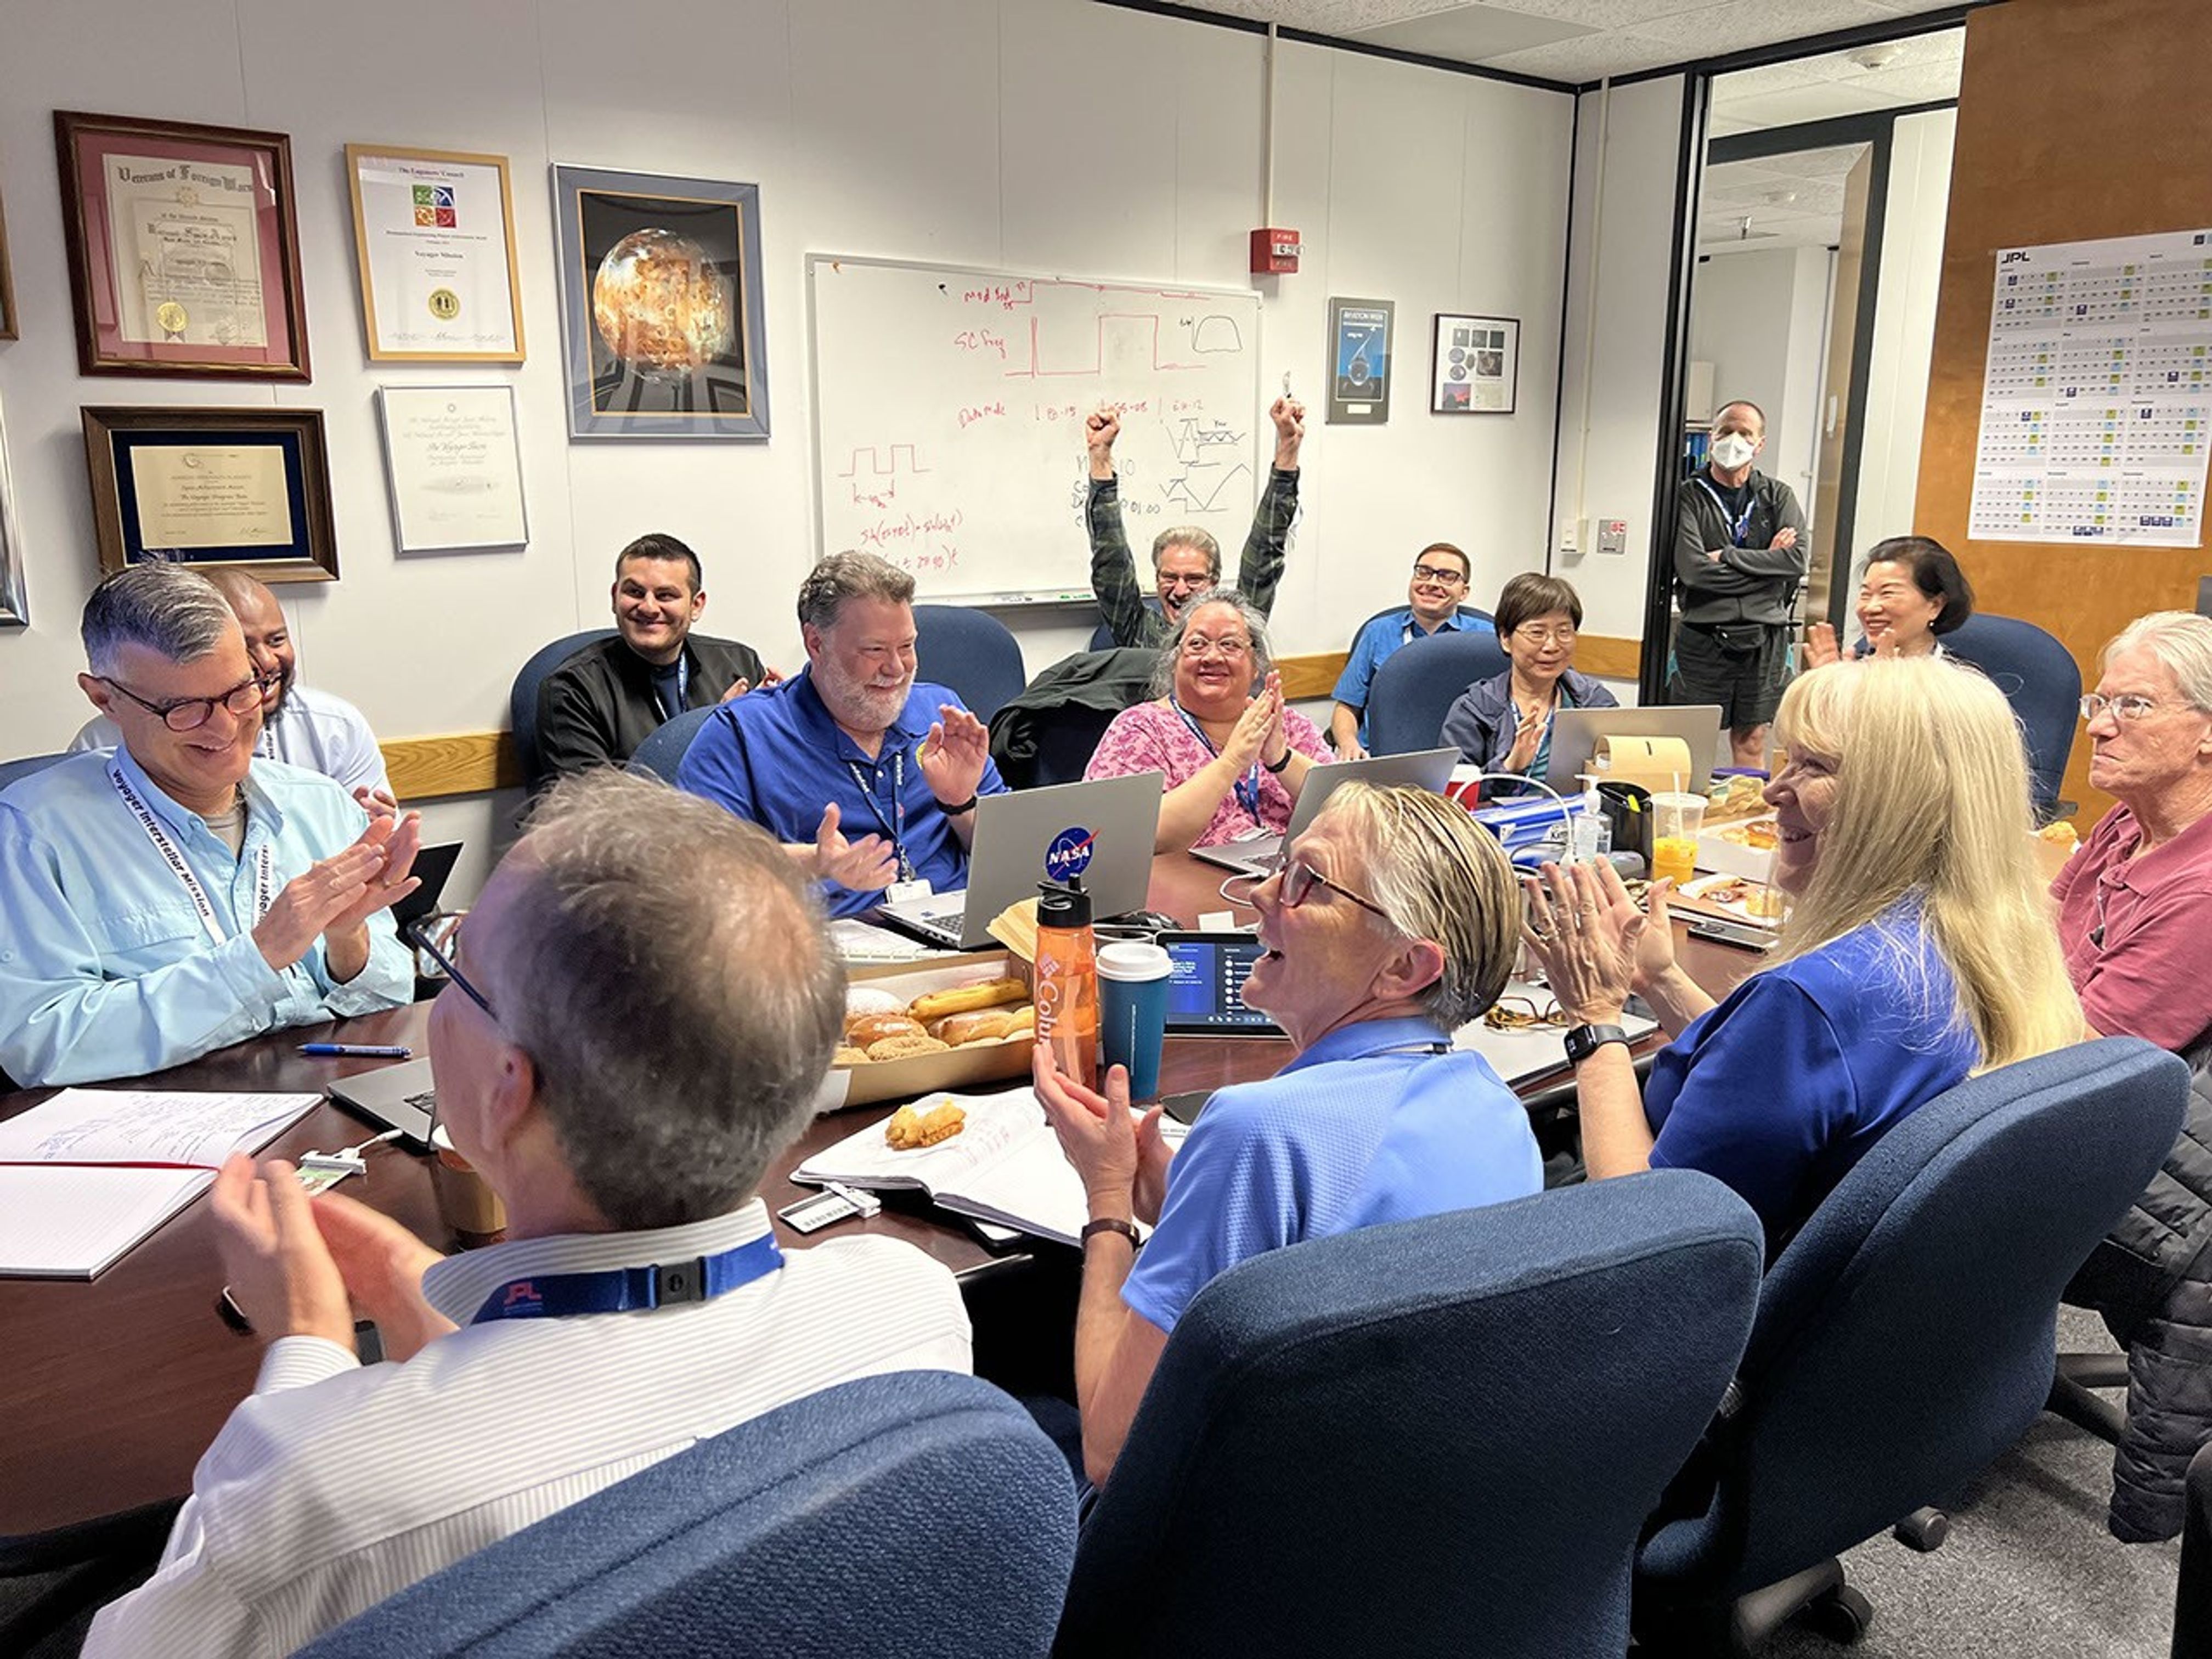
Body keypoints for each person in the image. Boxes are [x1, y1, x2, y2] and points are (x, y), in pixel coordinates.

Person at [81, 771, 971, 1656]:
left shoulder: (319, 1484)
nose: (440, 990)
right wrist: (433, 1314)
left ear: (509, 1087)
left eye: (454, 967)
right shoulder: (912, 1305)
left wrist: (305, 1350)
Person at [1034, 783, 1541, 1485]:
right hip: (1404, 1505)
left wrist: (1110, 1200)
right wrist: (1181, 1194)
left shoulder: (1257, 1130)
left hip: (1241, 1532)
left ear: (1405, 966)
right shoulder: (1497, 1110)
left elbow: (1112, 1453)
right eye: (1282, 865)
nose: (1261, 893)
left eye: (1309, 882)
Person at [1523, 657, 2081, 1252]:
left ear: (1896, 802)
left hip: (1702, 1285)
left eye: (1813, 766)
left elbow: (1642, 1234)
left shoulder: (1811, 999)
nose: (1772, 790)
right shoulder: (1981, 943)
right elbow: (1778, 1078)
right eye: (1786, 760)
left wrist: (1594, 1020)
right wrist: (1660, 979)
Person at [0, 567, 420, 1090]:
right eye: (184, 709)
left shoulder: (320, 803)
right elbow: (41, 1043)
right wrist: (257, 957)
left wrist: (347, 938)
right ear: (105, 699)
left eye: (241, 691)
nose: (225, 727)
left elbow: (390, 999)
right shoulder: (33, 832)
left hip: (329, 1096)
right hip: (160, 1118)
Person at [2045, 612, 2212, 1543]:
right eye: (2097, 702)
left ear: (2207, 733)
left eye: (2133, 705)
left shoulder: (2205, 887)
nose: (2100, 725)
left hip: (2123, 1165)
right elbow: (2041, 931)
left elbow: (2082, 1054)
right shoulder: (2127, 823)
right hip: (2055, 1079)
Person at [676, 551, 1005, 918]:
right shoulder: (742, 732)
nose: (897, 668)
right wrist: (815, 862)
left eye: (907, 646)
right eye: (875, 650)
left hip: (956, 933)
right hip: (824, 940)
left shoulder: (941, 714)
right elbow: (697, 867)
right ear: (816, 643)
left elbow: (1008, 859)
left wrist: (960, 804)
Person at [71, 567, 393, 810]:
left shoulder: (334, 728)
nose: (267, 661)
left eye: (276, 640)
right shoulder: (99, 748)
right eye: (185, 708)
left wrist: (366, 836)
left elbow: (374, 842)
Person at [1084, 589, 1331, 853]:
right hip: (1188, 877)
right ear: (1174, 660)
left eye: (1230, 645)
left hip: (1290, 871)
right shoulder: (1138, 730)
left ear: (1256, 665)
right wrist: (1232, 762)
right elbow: (1131, 839)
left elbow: (1351, 812)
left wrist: (1281, 759)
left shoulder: (1287, 724)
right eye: (1197, 644)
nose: (1212, 657)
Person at [537, 533, 772, 780]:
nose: (648, 608)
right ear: (615, 597)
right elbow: (594, 801)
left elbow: (769, 775)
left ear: (696, 605)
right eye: (635, 592)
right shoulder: (572, 690)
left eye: (665, 595)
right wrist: (715, 734)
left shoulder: (739, 664)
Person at [1084, 397, 1305, 650]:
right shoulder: (1141, 632)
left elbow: (1263, 556)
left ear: (1214, 583)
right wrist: (1100, 458)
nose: (1180, 591)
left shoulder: (1236, 629)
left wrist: (1288, 448)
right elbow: (1111, 558)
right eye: (1169, 577)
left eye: (1194, 579)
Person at [1671, 400, 1809, 769]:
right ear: (1712, 438)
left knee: (1752, 739)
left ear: (1760, 444)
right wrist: (1767, 566)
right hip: (1704, 636)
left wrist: (1727, 556)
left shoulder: (1778, 496)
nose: (1734, 440)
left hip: (1764, 638)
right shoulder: (1688, 496)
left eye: (1745, 433)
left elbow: (1795, 561)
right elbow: (1694, 572)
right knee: (1693, 741)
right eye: (1726, 431)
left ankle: (1746, 805)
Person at [1440, 573, 1617, 786]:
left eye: (1564, 632)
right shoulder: (1475, 709)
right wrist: (1509, 767)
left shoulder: (1595, 703)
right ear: (1506, 639)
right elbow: (1453, 793)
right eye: (1537, 633)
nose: (1552, 646)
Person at [1327, 542, 1483, 758]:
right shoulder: (1378, 632)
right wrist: (1348, 743)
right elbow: (1347, 706)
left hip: (1459, 761)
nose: (1432, 583)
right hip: (1381, 759)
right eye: (1424, 572)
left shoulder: (1486, 638)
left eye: (1447, 577)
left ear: (1464, 592)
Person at [1803, 536, 1974, 667]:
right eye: (1866, 595)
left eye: (1888, 594)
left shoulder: (1961, 683)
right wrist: (1827, 688)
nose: (1871, 608)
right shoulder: (1852, 669)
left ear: (1935, 606)